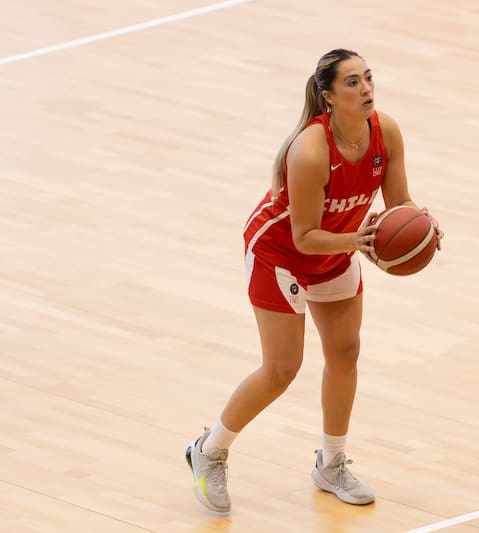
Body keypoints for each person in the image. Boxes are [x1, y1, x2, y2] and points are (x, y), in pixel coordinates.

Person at [185, 48, 443, 512]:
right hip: (280, 253)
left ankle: (332, 463)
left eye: (368, 79)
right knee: (281, 369)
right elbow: (303, 237)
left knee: (345, 353)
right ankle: (208, 451)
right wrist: (359, 243)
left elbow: (399, 202)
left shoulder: (386, 131)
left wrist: (420, 226)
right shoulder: (309, 150)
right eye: (352, 83)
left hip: (340, 245)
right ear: (328, 96)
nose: (365, 89)